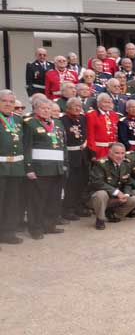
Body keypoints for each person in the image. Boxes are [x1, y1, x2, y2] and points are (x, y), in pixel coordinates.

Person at [23, 98, 67, 239]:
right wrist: (29, 168)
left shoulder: (58, 123)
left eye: (48, 108)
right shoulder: (29, 124)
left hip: (57, 169)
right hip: (39, 169)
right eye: (43, 108)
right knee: (37, 201)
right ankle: (35, 228)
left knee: (53, 199)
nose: (46, 111)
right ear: (35, 109)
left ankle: (50, 225)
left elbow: (63, 146)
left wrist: (65, 164)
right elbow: (26, 147)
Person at [87, 143, 135, 230]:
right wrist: (117, 192)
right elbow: (97, 182)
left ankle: (113, 215)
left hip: (115, 198)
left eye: (122, 153)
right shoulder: (100, 164)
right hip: (96, 198)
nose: (120, 156)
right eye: (117, 153)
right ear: (110, 153)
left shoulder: (126, 164)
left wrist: (126, 194)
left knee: (134, 199)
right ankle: (100, 219)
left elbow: (127, 181)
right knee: (101, 194)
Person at [0, 90, 25, 245]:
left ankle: (8, 233)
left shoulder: (17, 119)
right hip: (0, 167)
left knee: (12, 202)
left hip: (15, 168)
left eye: (11, 101)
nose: (8, 104)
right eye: (4, 101)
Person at [59, 98, 91, 219]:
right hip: (71, 156)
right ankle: (68, 210)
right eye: (75, 106)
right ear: (68, 107)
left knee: (82, 183)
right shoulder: (62, 120)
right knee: (71, 185)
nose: (78, 108)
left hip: (83, 156)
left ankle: (79, 207)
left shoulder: (82, 118)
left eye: (79, 105)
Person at [86, 93, 119, 160]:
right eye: (105, 102)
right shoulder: (92, 115)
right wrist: (93, 152)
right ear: (98, 103)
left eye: (109, 102)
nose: (107, 104)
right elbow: (90, 135)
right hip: (99, 150)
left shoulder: (114, 115)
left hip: (113, 149)